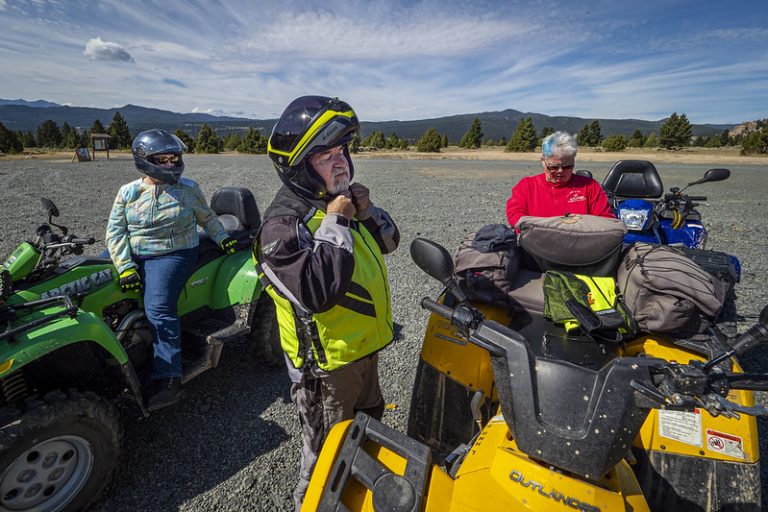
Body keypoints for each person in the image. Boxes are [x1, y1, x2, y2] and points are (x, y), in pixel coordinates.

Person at [254, 96, 399, 510]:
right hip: (326, 370)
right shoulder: (282, 226)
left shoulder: (341, 200)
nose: (341, 164)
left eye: (342, 152)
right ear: (300, 165)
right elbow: (318, 293)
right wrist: (338, 220)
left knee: (368, 432)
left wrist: (366, 212)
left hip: (363, 352)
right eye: (325, 156)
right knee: (324, 461)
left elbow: (389, 243)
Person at [105, 129, 237, 412]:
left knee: (159, 307)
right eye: (162, 160)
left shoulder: (189, 187)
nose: (169, 164)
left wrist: (222, 237)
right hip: (135, 251)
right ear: (144, 160)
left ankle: (168, 377)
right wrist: (125, 266)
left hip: (174, 253)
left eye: (173, 158)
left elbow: (207, 217)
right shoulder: (128, 192)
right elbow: (115, 233)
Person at [506, 131, 613, 228]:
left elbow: (606, 219)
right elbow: (515, 215)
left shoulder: (589, 186)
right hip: (537, 244)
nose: (560, 171)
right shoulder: (527, 186)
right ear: (543, 161)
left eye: (567, 166)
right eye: (553, 167)